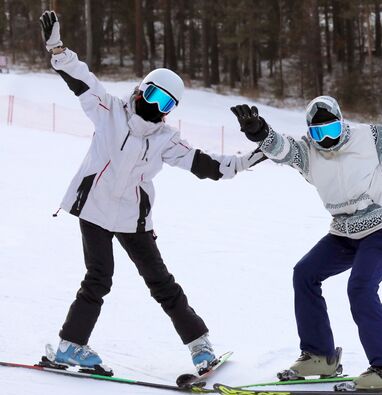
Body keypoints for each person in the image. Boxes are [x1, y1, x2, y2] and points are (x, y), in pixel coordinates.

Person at [39, 11, 265, 375]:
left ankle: (200, 347)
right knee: (99, 278)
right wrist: (58, 49)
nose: (158, 109)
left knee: (161, 282)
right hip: (94, 209)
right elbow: (81, 79)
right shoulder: (109, 111)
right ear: (142, 89)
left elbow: (207, 165)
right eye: (155, 97)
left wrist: (251, 157)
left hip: (132, 217)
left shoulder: (165, 140)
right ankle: (70, 345)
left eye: (167, 105)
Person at [230, 96, 382, 390]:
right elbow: (281, 148)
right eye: (317, 133)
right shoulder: (307, 152)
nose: (325, 139)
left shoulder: (369, 137)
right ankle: (320, 355)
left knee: (360, 288)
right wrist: (260, 131)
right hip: (344, 233)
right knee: (305, 273)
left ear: (342, 123)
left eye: (331, 130)